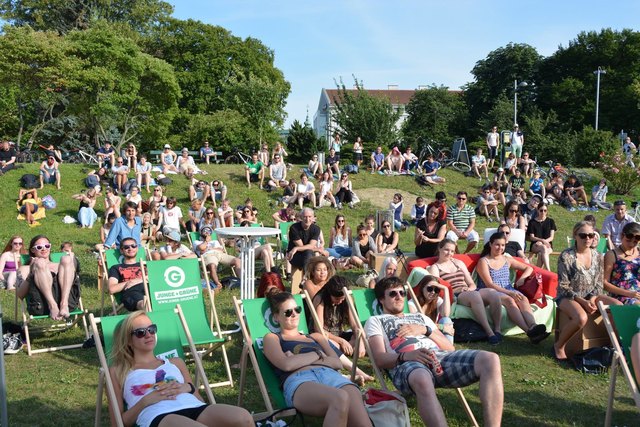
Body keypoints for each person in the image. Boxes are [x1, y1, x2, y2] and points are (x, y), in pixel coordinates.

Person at [365, 276, 504, 427]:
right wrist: (407, 356)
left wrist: (425, 329)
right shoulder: (376, 321)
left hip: (438, 356)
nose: (399, 297)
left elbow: (449, 347)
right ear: (381, 299)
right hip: (406, 363)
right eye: (393, 294)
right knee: (422, 377)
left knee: (490, 359)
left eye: (402, 293)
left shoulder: (420, 317)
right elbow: (379, 359)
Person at [108, 311, 253, 427]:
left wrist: (187, 388)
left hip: (193, 406)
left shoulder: (176, 362)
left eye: (152, 329)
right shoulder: (118, 372)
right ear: (127, 340)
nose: (149, 335)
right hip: (159, 415)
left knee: (244, 418)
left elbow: (197, 398)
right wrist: (146, 401)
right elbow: (119, 422)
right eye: (140, 332)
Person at [262, 291, 372, 426]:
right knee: (340, 397)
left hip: (331, 375)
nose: (294, 314)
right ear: (276, 317)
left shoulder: (316, 336)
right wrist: (319, 355)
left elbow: (337, 363)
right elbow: (286, 365)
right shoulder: (272, 338)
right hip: (300, 380)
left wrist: (297, 359)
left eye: (297, 310)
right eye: (287, 312)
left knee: (361, 416)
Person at [554, 221, 622, 361]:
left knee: (618, 308)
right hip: (568, 296)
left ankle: (610, 346)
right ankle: (559, 346)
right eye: (583, 235)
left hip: (591, 295)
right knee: (581, 318)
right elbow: (563, 285)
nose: (587, 239)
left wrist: (591, 300)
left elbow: (598, 283)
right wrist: (582, 302)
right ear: (575, 236)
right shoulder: (566, 256)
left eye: (591, 235)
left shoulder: (598, 256)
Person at [476, 232, 550, 343]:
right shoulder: (483, 261)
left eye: (502, 245)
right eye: (497, 244)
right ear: (490, 244)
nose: (500, 248)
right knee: (510, 300)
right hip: (490, 291)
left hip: (507, 288)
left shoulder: (506, 259)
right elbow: (489, 284)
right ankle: (529, 332)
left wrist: (522, 279)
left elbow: (528, 268)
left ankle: (533, 326)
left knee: (523, 298)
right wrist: (510, 293)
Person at [427, 239, 503, 344]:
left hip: (469, 290)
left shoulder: (458, 263)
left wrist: (469, 288)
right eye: (446, 250)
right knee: (475, 295)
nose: (449, 253)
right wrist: (459, 291)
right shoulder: (434, 268)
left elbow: (472, 283)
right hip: (455, 294)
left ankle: (498, 329)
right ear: (439, 249)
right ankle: (489, 332)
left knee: (493, 293)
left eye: (452, 251)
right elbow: (437, 289)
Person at [17, 235, 79, 320]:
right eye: (39, 247)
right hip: (41, 306)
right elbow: (20, 295)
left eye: (47, 246)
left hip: (68, 304)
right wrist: (32, 272)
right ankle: (52, 305)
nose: (44, 249)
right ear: (32, 250)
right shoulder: (25, 269)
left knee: (67, 259)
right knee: (40, 263)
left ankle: (64, 304)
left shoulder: (60, 266)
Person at [312, 276, 366, 359]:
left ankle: (347, 348)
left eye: (343, 299)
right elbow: (319, 330)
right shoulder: (320, 299)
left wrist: (361, 342)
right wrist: (341, 341)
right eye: (337, 299)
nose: (340, 301)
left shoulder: (348, 298)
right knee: (327, 344)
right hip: (325, 337)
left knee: (363, 335)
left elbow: (355, 325)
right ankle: (348, 348)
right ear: (330, 294)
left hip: (339, 334)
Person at [409, 275, 454, 343]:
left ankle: (449, 350)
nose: (433, 292)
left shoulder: (437, 300)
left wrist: (446, 290)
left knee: (446, 320)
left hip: (433, 334)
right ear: (422, 288)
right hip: (420, 335)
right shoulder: (412, 303)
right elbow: (419, 325)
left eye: (436, 290)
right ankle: (448, 350)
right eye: (429, 289)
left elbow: (446, 314)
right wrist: (442, 327)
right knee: (445, 325)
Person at [603, 222, 640, 305]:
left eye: (635, 242)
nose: (631, 244)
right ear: (621, 236)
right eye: (628, 240)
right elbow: (605, 283)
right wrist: (628, 293)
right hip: (621, 295)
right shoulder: (612, 255)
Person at [107, 237, 146, 311]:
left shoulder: (145, 265)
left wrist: (137, 280)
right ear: (121, 251)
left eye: (133, 246)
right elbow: (111, 289)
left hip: (149, 288)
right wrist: (129, 282)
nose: (130, 248)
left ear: (137, 248)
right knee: (144, 304)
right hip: (132, 293)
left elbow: (156, 278)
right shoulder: (116, 268)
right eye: (126, 247)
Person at [287, 208, 321, 273]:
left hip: (308, 254)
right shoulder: (294, 228)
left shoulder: (316, 229)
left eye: (309, 217)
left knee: (313, 255)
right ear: (301, 217)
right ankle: (307, 277)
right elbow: (303, 247)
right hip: (295, 256)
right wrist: (318, 249)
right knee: (308, 253)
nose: (307, 219)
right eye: (305, 217)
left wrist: (296, 248)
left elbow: (311, 246)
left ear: (313, 217)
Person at [526, 204, 556, 271]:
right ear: (537, 210)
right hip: (535, 245)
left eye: (545, 210)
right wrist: (541, 240)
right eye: (541, 210)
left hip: (548, 245)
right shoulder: (532, 222)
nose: (543, 212)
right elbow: (532, 237)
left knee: (541, 253)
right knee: (543, 248)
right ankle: (548, 271)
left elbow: (551, 237)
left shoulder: (551, 221)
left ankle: (538, 273)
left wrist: (544, 242)